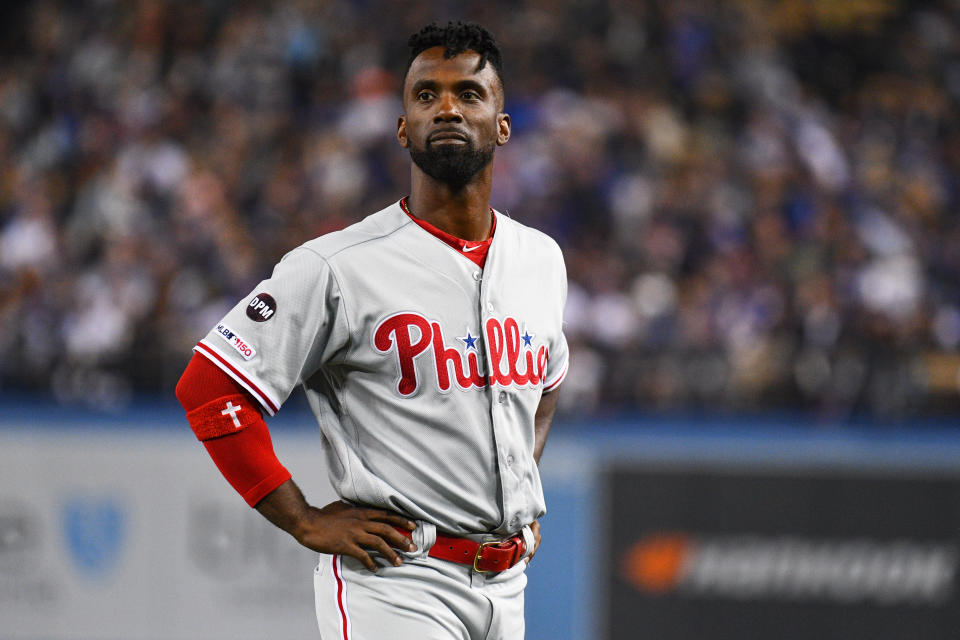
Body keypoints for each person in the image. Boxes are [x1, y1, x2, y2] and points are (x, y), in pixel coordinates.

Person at [175, 20, 568, 639]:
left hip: (507, 586)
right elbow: (209, 389)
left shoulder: (540, 258)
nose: (446, 107)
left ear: (502, 124)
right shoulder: (336, 266)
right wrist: (303, 519)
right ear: (402, 127)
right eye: (425, 94)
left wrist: (519, 477)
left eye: (469, 93)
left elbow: (546, 382)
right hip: (398, 581)